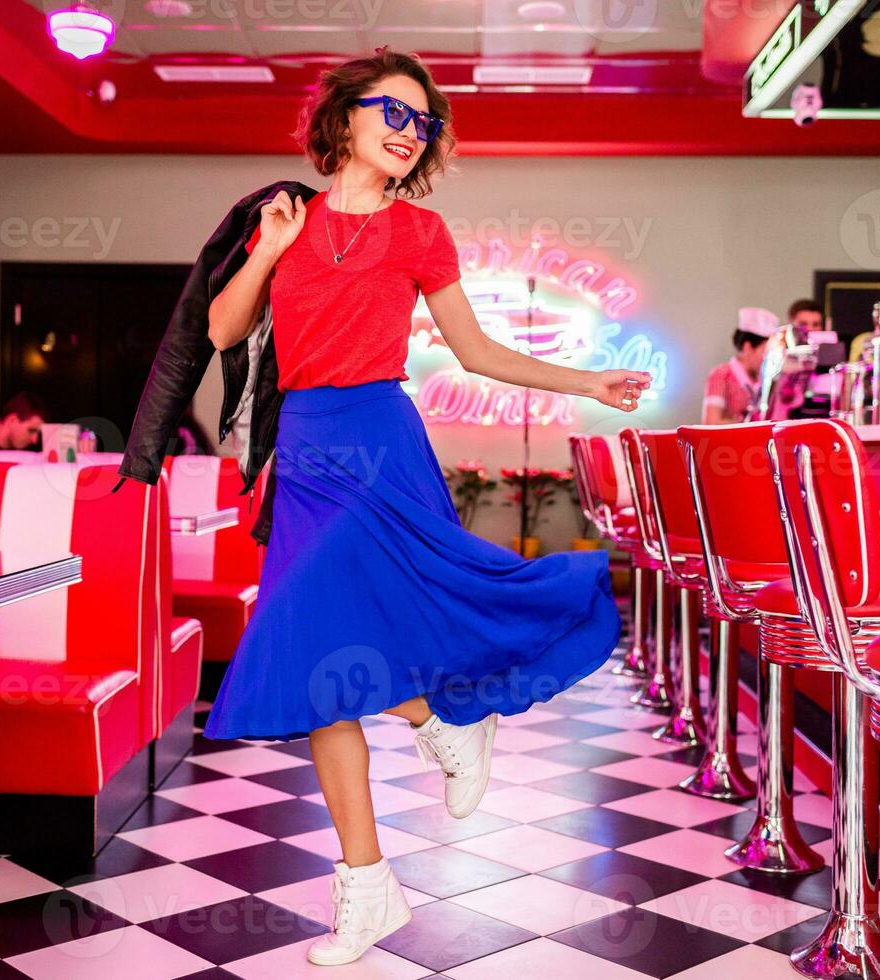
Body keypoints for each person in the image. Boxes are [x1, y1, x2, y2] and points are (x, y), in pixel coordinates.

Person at [196, 47, 650, 967]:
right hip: (307, 446)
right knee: (328, 673)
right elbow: (222, 329)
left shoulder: (420, 233)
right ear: (345, 119)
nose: (409, 132)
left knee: (314, 625)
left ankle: (444, 721)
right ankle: (369, 881)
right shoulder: (284, 219)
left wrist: (586, 381)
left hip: (378, 439)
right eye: (393, 114)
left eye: (423, 122)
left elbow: (478, 352)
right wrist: (272, 252)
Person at [701, 307, 779, 424]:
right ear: (748, 347)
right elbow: (711, 421)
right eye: (766, 352)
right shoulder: (722, 374)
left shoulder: (765, 379)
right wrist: (748, 424)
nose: (769, 358)